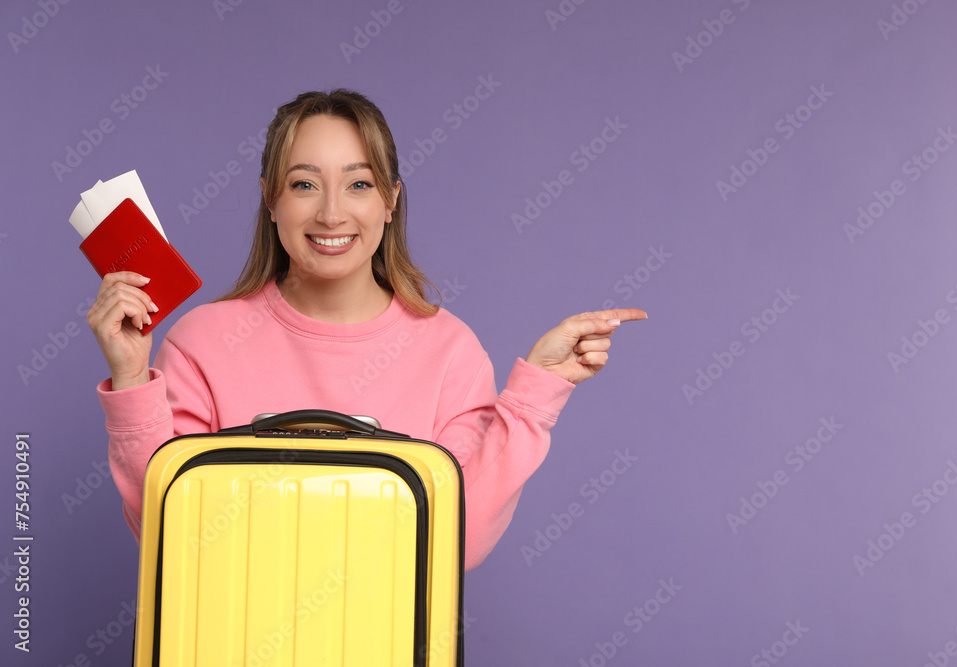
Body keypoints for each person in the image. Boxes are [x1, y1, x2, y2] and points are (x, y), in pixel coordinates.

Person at [88, 89, 646, 570]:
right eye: (304, 184)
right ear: (269, 199)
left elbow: (457, 539)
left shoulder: (448, 351)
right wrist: (134, 377)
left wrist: (532, 396)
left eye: (358, 185)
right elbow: (172, 533)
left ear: (391, 199)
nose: (332, 214)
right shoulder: (202, 341)